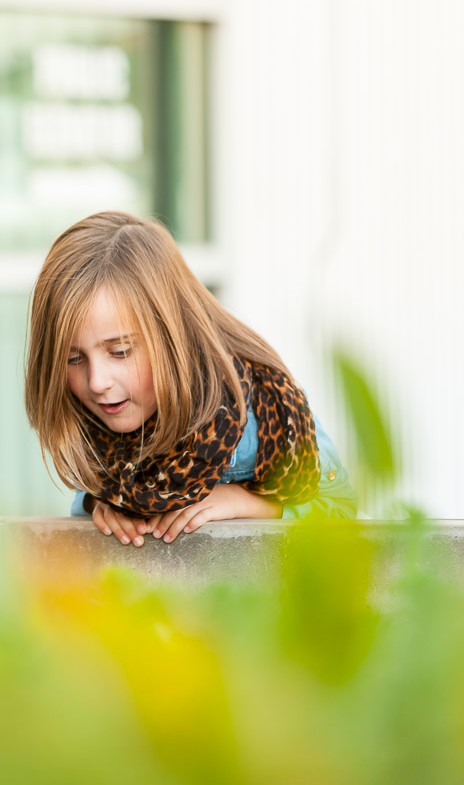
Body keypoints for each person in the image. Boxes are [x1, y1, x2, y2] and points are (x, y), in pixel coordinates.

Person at [24, 211, 356, 547]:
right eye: (73, 358)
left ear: (172, 336)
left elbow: (341, 510)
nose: (96, 382)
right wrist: (97, 504)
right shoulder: (100, 422)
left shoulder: (255, 418)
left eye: (121, 351)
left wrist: (252, 503)